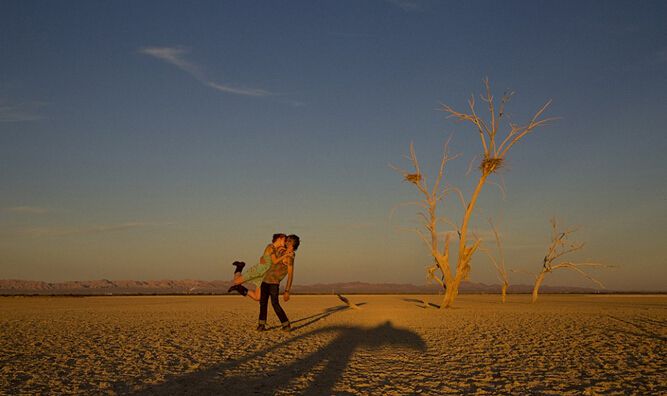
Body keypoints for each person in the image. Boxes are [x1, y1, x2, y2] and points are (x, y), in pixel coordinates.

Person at [228, 233, 293, 301]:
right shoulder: (270, 247)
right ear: (280, 238)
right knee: (236, 282)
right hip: (259, 270)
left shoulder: (279, 249)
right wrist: (286, 255)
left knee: (257, 297)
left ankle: (240, 289)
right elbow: (274, 261)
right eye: (285, 240)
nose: (286, 243)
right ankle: (239, 267)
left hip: (264, 275)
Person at [257, 234, 299, 332]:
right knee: (263, 303)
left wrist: (287, 290)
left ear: (291, 245)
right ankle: (261, 324)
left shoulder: (290, 258)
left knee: (275, 303)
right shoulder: (280, 250)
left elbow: (290, 275)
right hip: (265, 279)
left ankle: (286, 324)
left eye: (288, 241)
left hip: (274, 282)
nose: (285, 242)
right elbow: (267, 258)